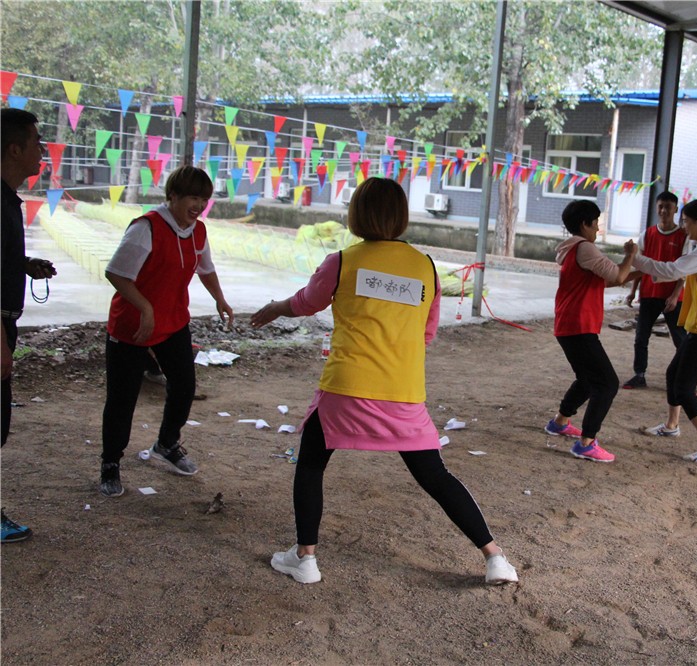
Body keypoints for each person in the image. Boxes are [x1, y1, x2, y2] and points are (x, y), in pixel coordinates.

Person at [250, 177, 517, 586]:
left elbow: (305, 303)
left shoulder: (342, 261)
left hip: (346, 387)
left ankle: (305, 559)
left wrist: (275, 307)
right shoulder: (424, 265)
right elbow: (427, 333)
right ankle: (495, 558)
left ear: (356, 214)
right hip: (402, 391)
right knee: (434, 476)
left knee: (311, 464)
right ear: (401, 217)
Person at [99, 165, 233, 497]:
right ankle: (110, 463)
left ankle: (167, 443)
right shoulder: (147, 228)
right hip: (132, 326)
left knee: (184, 385)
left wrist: (220, 299)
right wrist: (145, 307)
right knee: (122, 399)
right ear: (172, 195)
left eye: (203, 199)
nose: (198, 205)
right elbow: (116, 273)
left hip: (173, 322)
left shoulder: (198, 231)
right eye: (192, 197)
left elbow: (206, 268)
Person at [634, 200, 697, 464]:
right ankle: (671, 425)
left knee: (685, 389)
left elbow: (673, 270)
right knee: (672, 374)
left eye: (687, 221)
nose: (684, 227)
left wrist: (636, 258)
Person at [543, 200, 637, 463]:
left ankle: (560, 422)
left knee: (587, 378)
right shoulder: (585, 248)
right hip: (578, 326)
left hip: (571, 324)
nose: (597, 229)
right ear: (585, 224)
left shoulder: (574, 249)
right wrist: (630, 255)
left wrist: (637, 273)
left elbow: (607, 279)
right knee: (607, 383)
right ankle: (587, 442)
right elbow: (616, 276)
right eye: (595, 223)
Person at [1, 108, 56, 543]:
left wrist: (22, 266)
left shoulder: (7, 199)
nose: (43, 149)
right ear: (15, 148)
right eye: (38, 141)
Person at [622, 191, 688, 390]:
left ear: (676, 209)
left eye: (668, 207)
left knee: (680, 338)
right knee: (641, 337)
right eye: (660, 206)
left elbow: (685, 270)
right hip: (649, 293)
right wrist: (634, 291)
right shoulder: (648, 234)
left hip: (672, 296)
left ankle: (683, 378)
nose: (663, 210)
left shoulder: (683, 236)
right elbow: (639, 264)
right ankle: (639, 374)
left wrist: (675, 295)